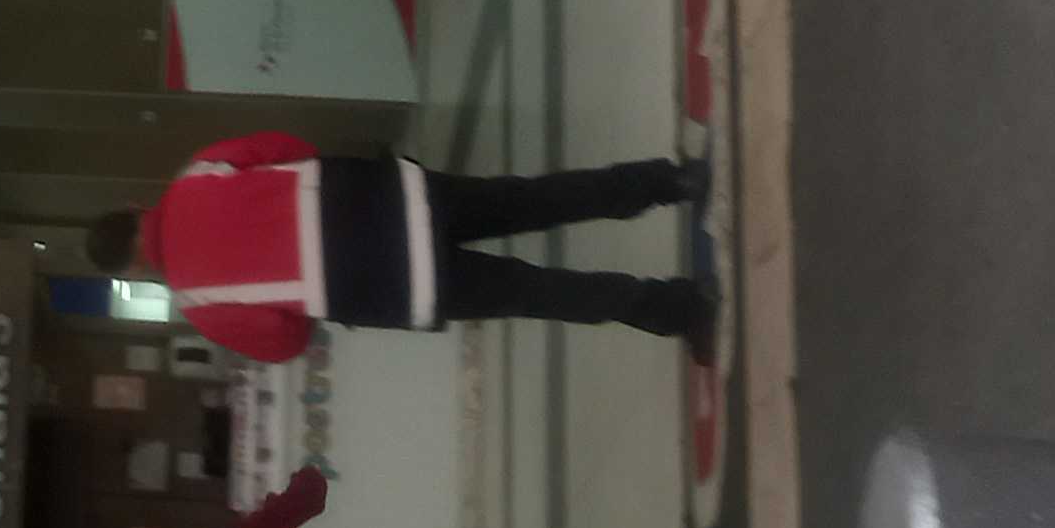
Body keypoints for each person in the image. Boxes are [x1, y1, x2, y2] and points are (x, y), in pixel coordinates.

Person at [87, 134, 702, 364]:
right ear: (136, 208)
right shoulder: (198, 172)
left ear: (135, 268)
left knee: (536, 293)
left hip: (392, 280)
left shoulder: (200, 304)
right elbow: (289, 145)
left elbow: (283, 342)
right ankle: (669, 181)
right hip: (393, 199)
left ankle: (676, 306)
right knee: (532, 198)